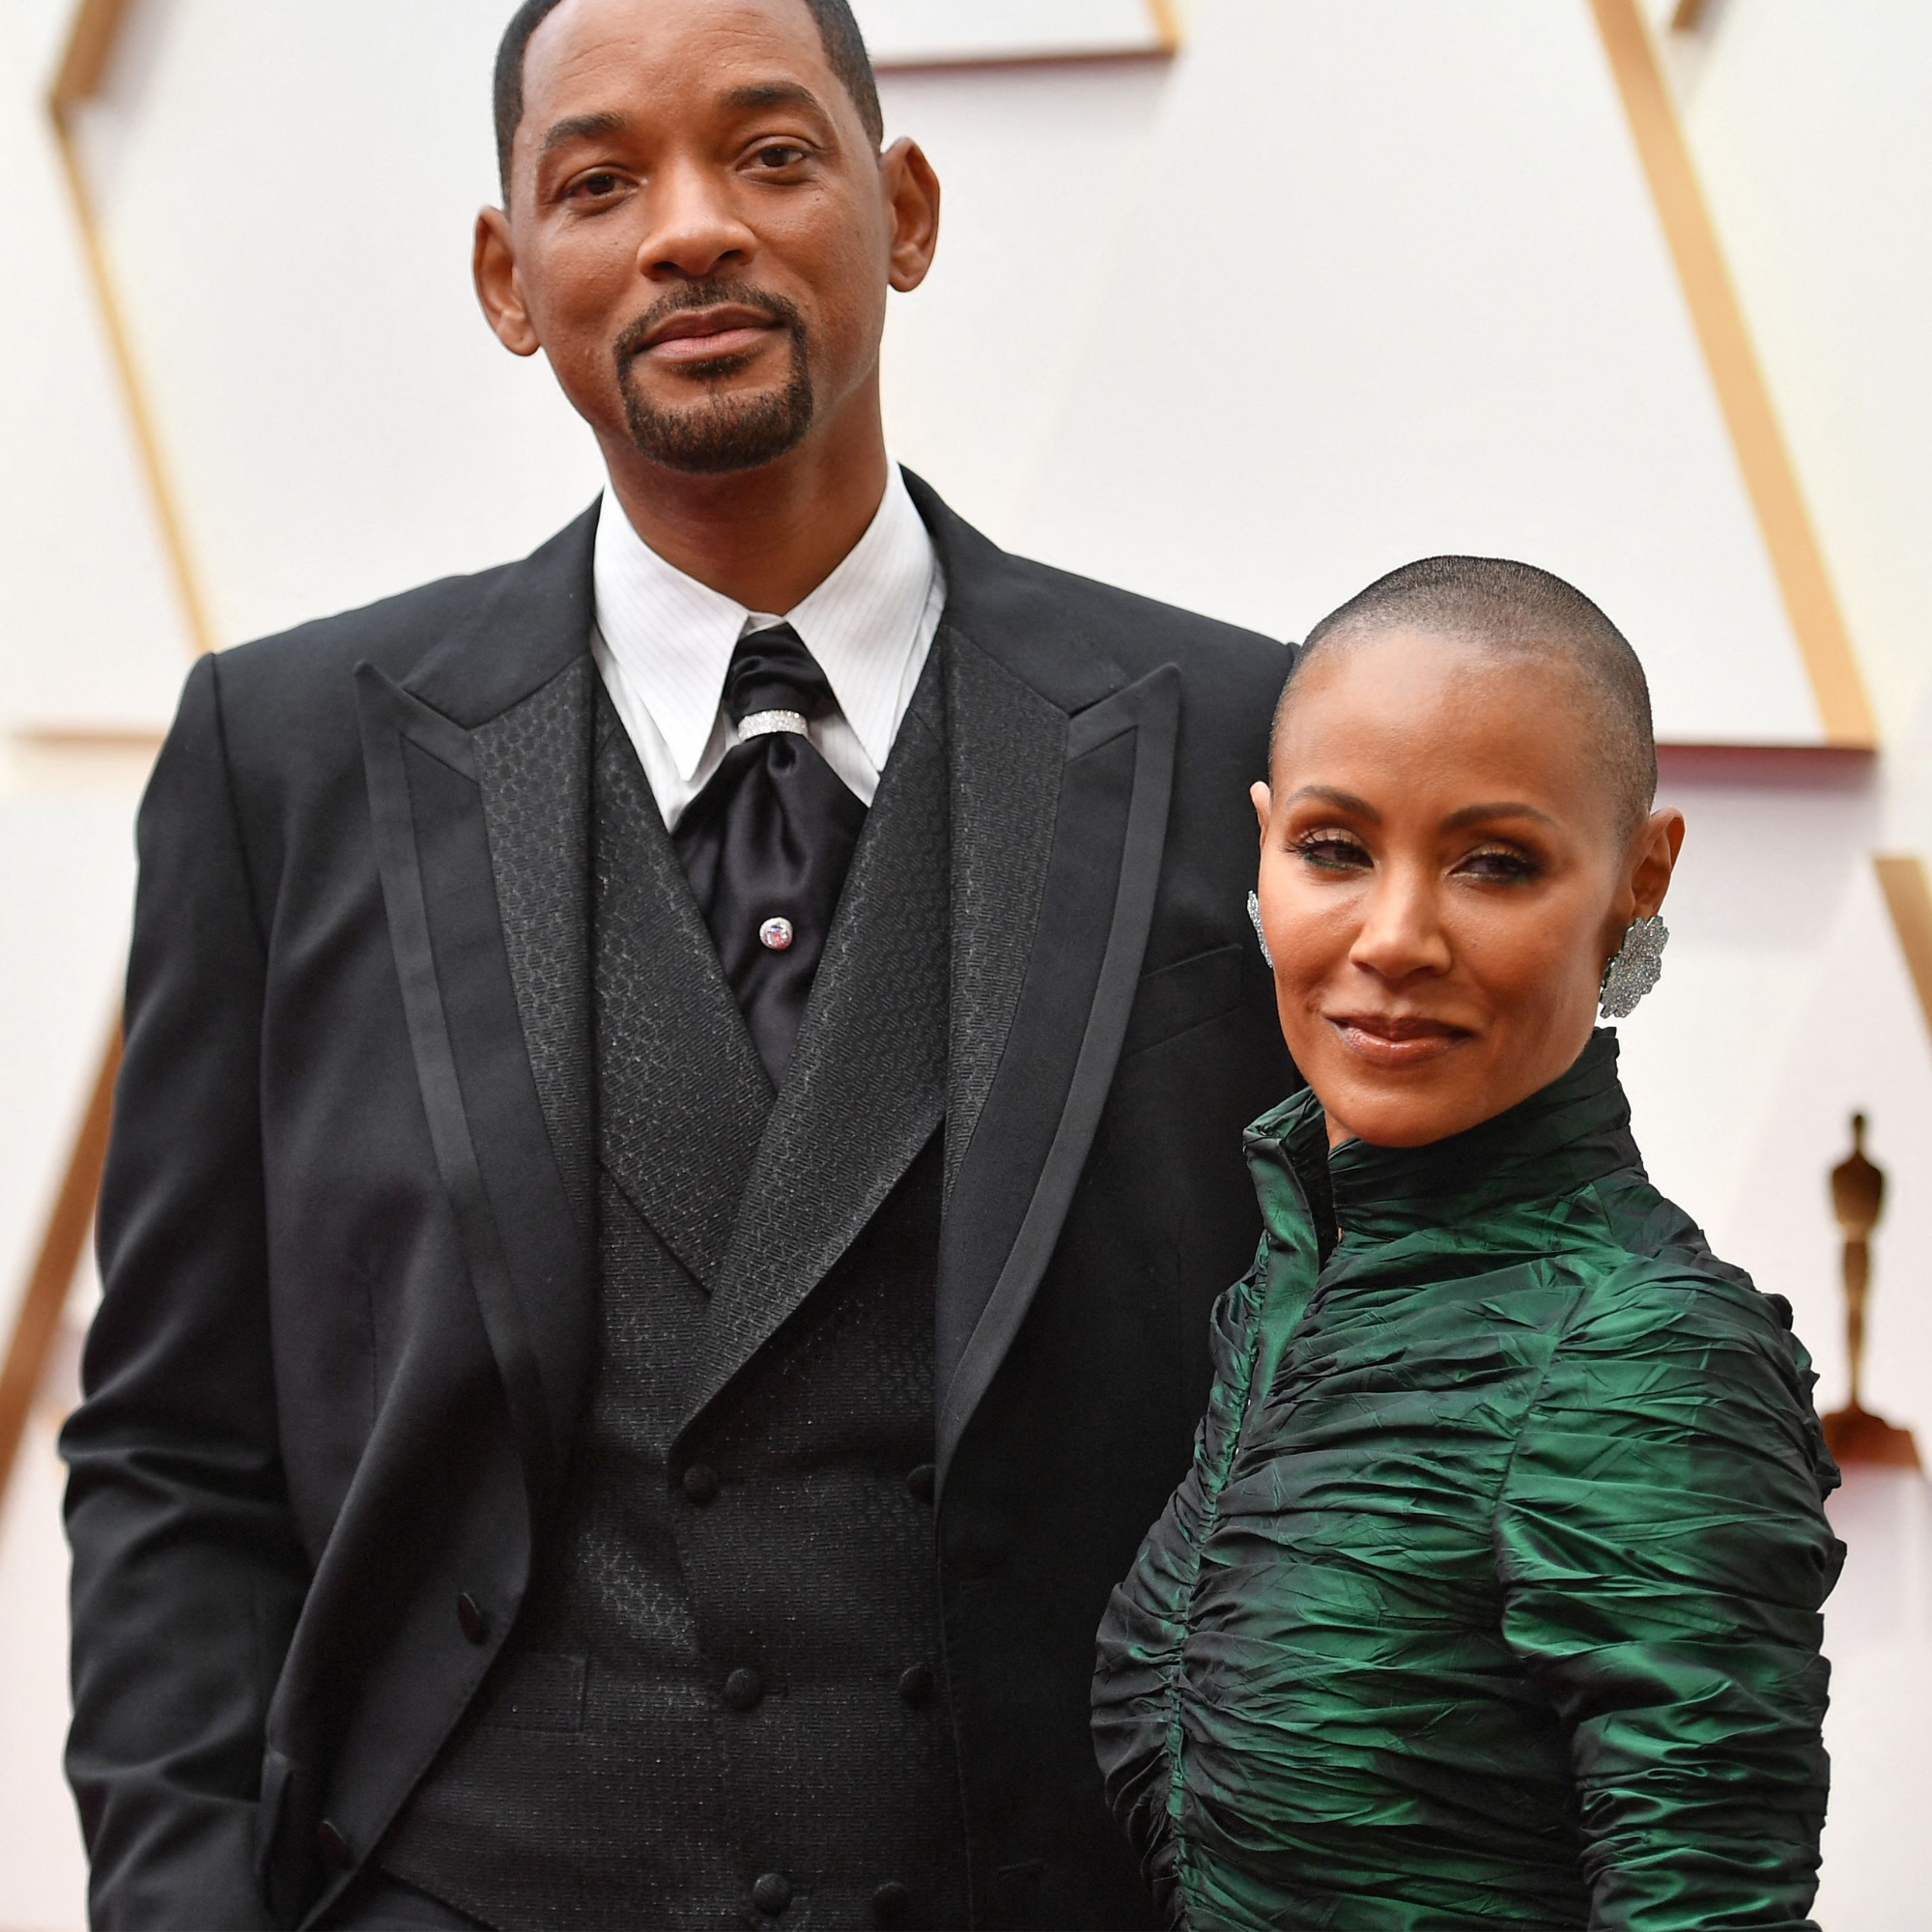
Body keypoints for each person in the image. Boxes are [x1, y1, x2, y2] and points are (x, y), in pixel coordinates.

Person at [61, 1, 1293, 1927]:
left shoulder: (1238, 740)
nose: (690, 227)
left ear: (904, 208)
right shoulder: (280, 756)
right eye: (599, 180)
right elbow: (175, 1450)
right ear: (505, 273)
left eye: (771, 153)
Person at [1093, 557, 1841, 1930]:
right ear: (1259, 849)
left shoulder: (1642, 1356)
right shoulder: (1287, 1286)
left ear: (1638, 877)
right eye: (1334, 849)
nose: (1395, 937)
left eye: (1494, 864)